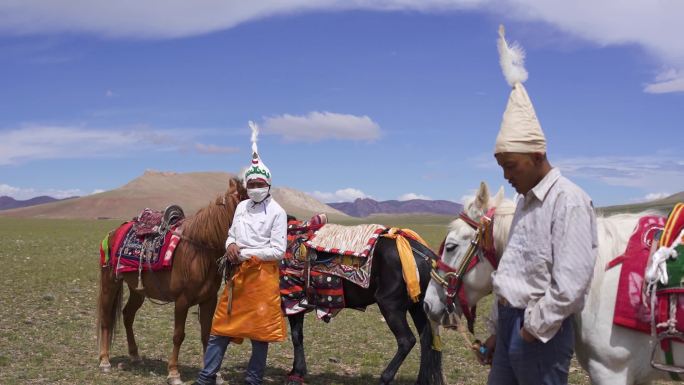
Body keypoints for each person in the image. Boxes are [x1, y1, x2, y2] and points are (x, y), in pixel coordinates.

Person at [476, 26, 598, 385]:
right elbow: (513, 270)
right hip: (513, 323)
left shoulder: (569, 200)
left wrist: (531, 328)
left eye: (511, 166)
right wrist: (501, 331)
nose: (507, 176)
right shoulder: (523, 201)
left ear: (537, 154)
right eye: (502, 168)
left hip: (540, 334)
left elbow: (572, 281)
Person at [195, 121, 287, 385]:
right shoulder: (242, 207)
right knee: (220, 328)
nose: (256, 186)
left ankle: (253, 380)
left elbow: (278, 250)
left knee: (259, 334)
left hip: (262, 278)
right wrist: (230, 246)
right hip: (238, 278)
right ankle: (205, 378)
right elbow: (232, 235)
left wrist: (244, 253)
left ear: (268, 184)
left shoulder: (277, 212)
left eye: (260, 182)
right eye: (252, 183)